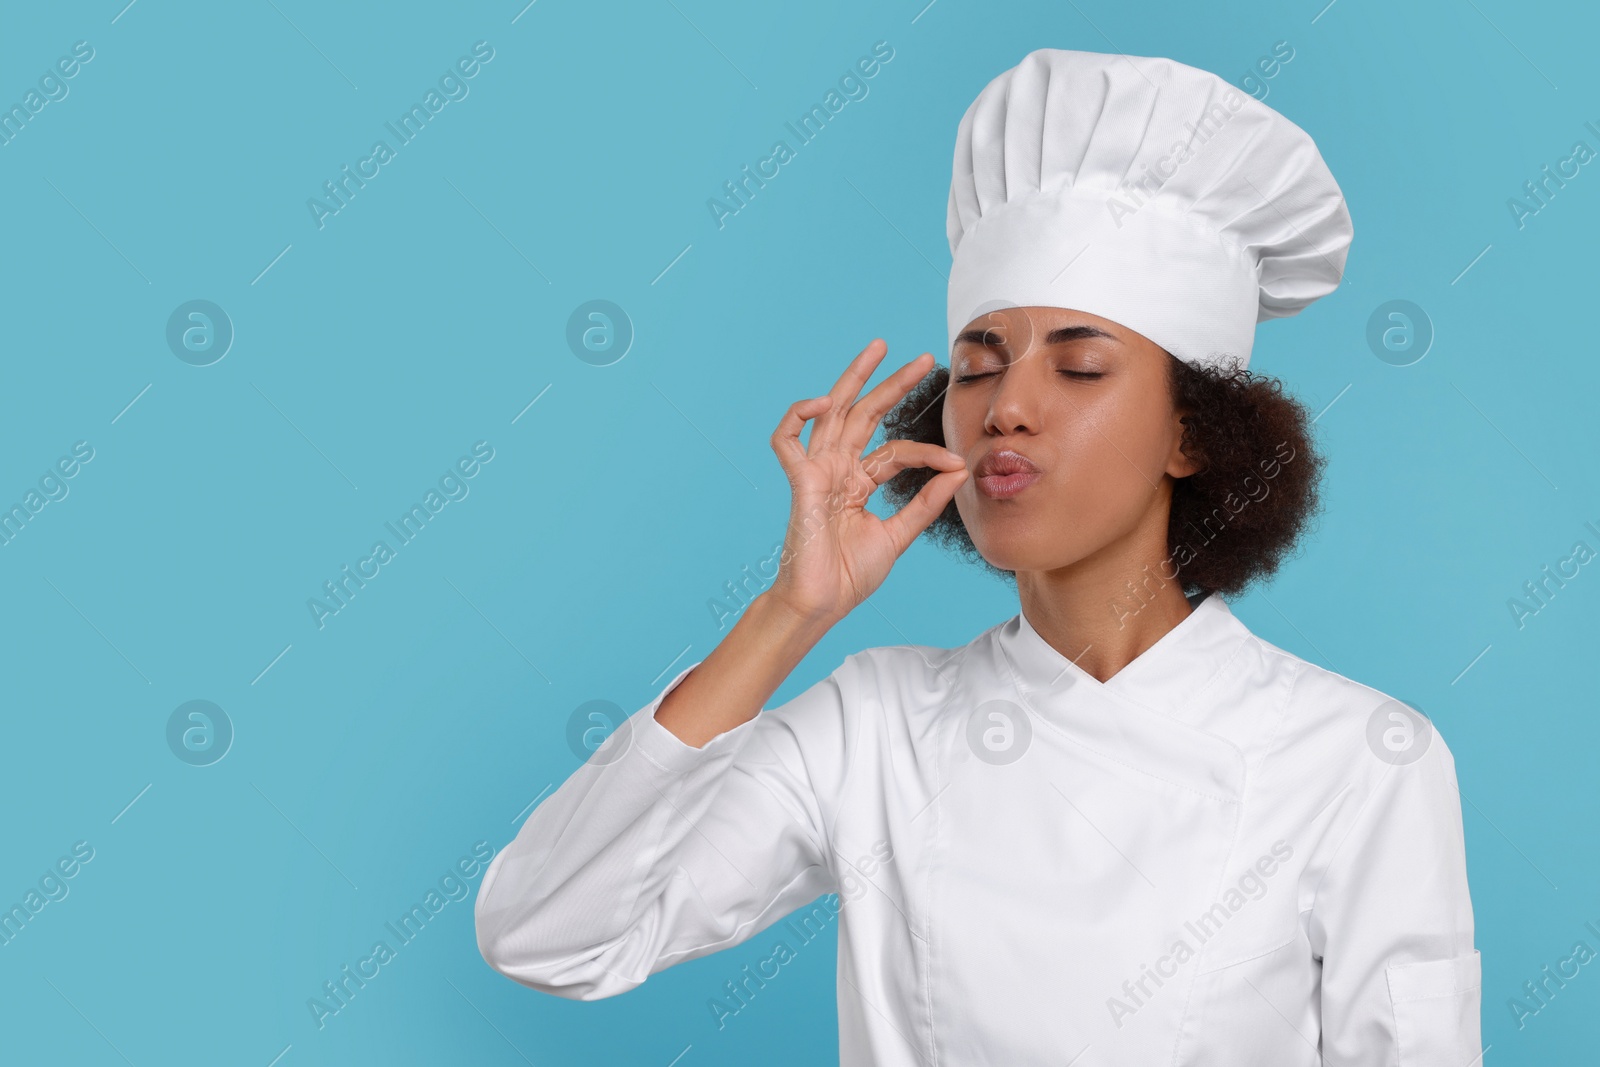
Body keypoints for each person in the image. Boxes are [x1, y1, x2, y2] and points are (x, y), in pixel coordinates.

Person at [474, 49, 1480, 1065]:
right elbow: (549, 933)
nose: (1006, 406)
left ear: (1193, 433)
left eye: (1078, 365)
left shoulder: (1357, 757)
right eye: (975, 364)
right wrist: (791, 613)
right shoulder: (879, 726)